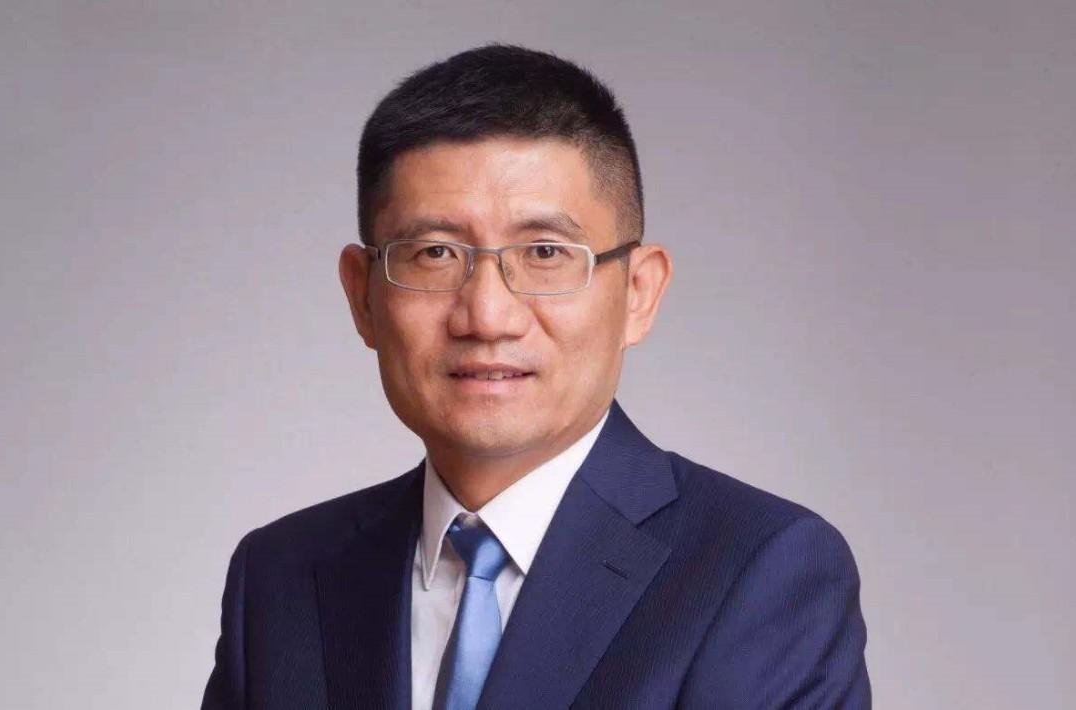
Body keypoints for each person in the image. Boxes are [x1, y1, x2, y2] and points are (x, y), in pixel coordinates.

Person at [201, 44, 870, 710]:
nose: (487, 316)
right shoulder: (282, 576)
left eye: (545, 252)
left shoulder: (760, 570)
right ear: (362, 296)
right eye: (434, 253)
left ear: (639, 292)